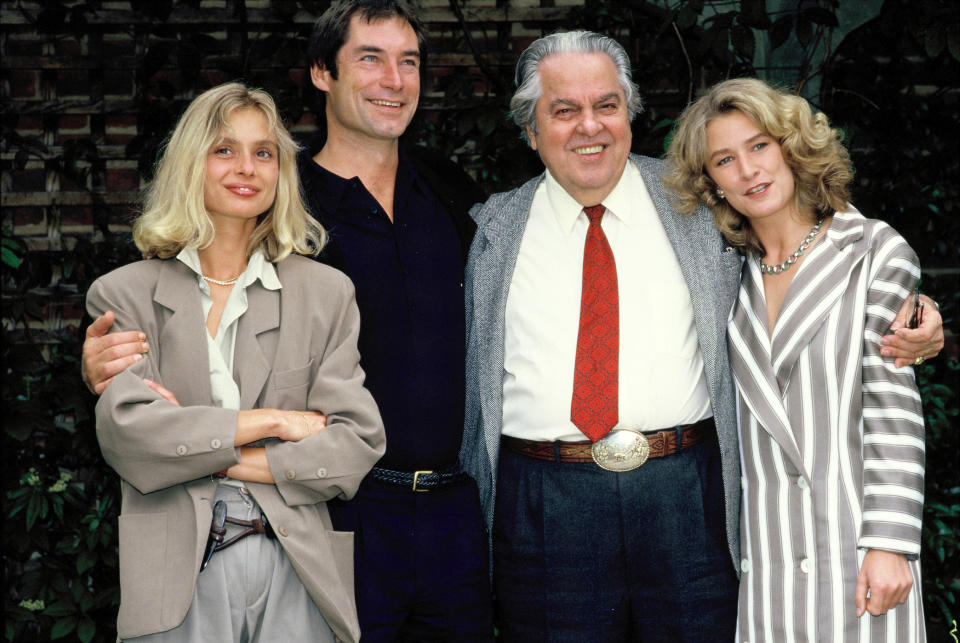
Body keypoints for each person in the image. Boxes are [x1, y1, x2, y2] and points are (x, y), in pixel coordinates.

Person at [459, 31, 942, 642]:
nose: (590, 126)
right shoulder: (492, 229)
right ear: (531, 130)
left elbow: (810, 256)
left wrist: (916, 313)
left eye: (607, 105)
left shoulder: (696, 206)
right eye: (564, 110)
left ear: (630, 115)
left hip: (687, 501)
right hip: (546, 508)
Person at [83, 2, 494, 641]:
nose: (394, 79)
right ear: (321, 73)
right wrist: (106, 371)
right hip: (334, 515)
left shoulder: (453, 192)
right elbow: (170, 341)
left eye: (408, 62)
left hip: (450, 509)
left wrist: (196, 448)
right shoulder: (284, 216)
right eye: (370, 58)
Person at [85, 82, 385, 642]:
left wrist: (200, 448)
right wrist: (277, 423)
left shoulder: (327, 294)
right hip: (177, 570)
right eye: (224, 150)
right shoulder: (123, 293)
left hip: (299, 566)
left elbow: (355, 444)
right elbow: (130, 436)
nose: (246, 167)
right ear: (189, 163)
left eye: (263, 152)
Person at [665, 77, 926, 641]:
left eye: (760, 146)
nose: (748, 170)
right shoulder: (723, 276)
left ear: (791, 146)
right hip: (767, 558)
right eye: (725, 160)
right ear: (711, 182)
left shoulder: (873, 249)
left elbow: (894, 407)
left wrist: (892, 543)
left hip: (858, 550)